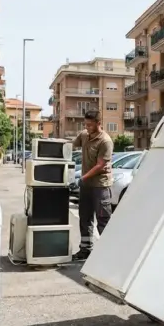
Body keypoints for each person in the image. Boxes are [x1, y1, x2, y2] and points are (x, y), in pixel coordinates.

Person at [72, 110, 114, 261]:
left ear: (98, 123)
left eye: (90, 125)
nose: (87, 127)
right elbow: (70, 145)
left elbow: (101, 165)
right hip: (86, 185)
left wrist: (82, 178)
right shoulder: (84, 135)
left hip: (100, 185)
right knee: (85, 217)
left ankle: (109, 254)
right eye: (85, 124)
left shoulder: (105, 141)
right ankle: (85, 249)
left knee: (103, 219)